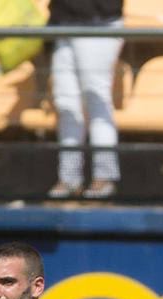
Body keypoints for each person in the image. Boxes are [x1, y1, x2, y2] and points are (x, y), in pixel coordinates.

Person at [46, 0, 122, 199]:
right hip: (63, 24)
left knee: (96, 98)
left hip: (99, 23)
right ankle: (69, 178)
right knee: (66, 104)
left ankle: (104, 177)